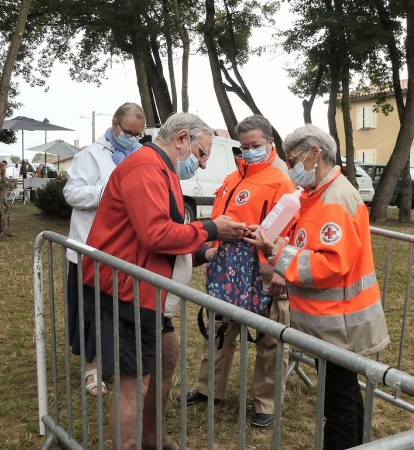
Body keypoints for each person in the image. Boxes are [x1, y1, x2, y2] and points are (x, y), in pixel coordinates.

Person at [82, 112, 247, 449]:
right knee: (134, 384)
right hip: (129, 293)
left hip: (150, 294)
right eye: (203, 154)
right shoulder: (146, 168)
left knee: (166, 357)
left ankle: (153, 438)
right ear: (182, 138)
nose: (202, 165)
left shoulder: (162, 169)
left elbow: (166, 233)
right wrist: (214, 228)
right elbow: (156, 234)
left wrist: (205, 253)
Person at [244, 124, 390, 449]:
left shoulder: (335, 198)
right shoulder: (317, 195)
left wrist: (275, 251)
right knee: (343, 398)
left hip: (342, 324)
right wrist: (273, 235)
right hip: (332, 323)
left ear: (315, 154)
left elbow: (329, 264)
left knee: (339, 404)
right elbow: (305, 241)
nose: (292, 168)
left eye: (293, 160)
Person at [182, 114, 296, 428]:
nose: (248, 151)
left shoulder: (281, 180)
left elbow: (293, 231)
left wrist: (280, 271)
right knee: (220, 329)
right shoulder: (234, 178)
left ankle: (266, 402)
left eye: (255, 145)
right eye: (244, 146)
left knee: (271, 337)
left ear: (270, 143)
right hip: (227, 267)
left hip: (263, 266)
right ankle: (209, 388)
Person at [63, 102, 145, 395]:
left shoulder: (139, 157)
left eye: (139, 135)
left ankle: (113, 364)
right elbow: (71, 193)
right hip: (90, 249)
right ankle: (91, 371)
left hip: (124, 251)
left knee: (116, 313)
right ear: (114, 124)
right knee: (90, 313)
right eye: (129, 132)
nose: (134, 139)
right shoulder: (90, 156)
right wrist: (106, 193)